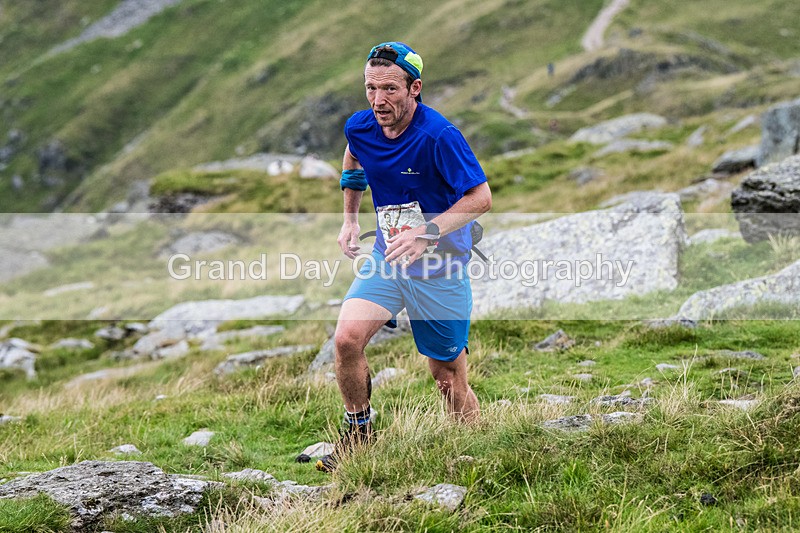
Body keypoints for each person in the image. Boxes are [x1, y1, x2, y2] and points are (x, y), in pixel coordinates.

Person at [316, 41, 492, 473]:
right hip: (388, 259)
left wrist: (426, 232)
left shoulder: (440, 136)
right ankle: (359, 436)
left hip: (440, 266)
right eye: (371, 88)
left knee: (447, 379)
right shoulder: (359, 127)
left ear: (415, 88)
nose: (379, 100)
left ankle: (480, 452)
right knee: (345, 340)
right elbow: (354, 162)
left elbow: (481, 197)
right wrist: (350, 220)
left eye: (390, 89)